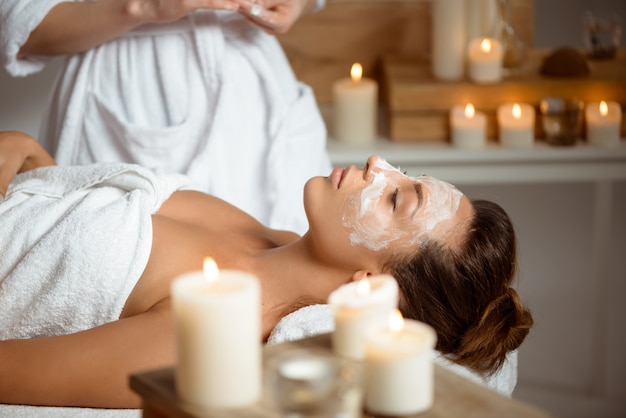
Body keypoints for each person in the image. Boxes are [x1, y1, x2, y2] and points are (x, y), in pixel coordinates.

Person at [0, 130, 533, 409]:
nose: (379, 167)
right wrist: (28, 154)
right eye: (404, 174)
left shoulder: (205, 333)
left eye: (396, 200)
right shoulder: (266, 240)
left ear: (369, 286)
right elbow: (60, 228)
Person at [0, 0, 330, 235]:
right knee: (124, 261)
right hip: (130, 88)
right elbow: (21, 26)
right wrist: (144, 7)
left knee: (285, 283)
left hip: (257, 83)